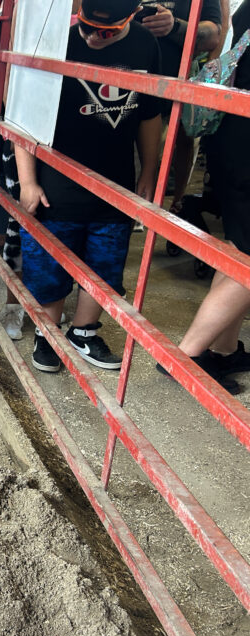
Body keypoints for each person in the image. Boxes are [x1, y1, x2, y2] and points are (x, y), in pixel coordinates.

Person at [16, 0, 162, 373]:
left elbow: (149, 116)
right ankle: (46, 335)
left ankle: (83, 331)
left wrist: (149, 171)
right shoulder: (56, 42)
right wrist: (28, 181)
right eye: (85, 27)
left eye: (107, 31)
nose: (92, 37)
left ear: (129, 18)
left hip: (115, 182)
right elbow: (25, 115)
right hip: (56, 182)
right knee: (48, 266)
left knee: (105, 264)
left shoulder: (146, 46)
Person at [161, 0, 250, 393]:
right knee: (247, 257)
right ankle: (189, 358)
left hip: (232, 141)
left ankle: (225, 349)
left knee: (238, 249)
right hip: (246, 149)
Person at [135, 0, 222, 211]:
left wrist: (174, 26)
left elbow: (213, 35)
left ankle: (178, 203)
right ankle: (137, 205)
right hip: (132, 79)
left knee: (183, 139)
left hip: (179, 77)